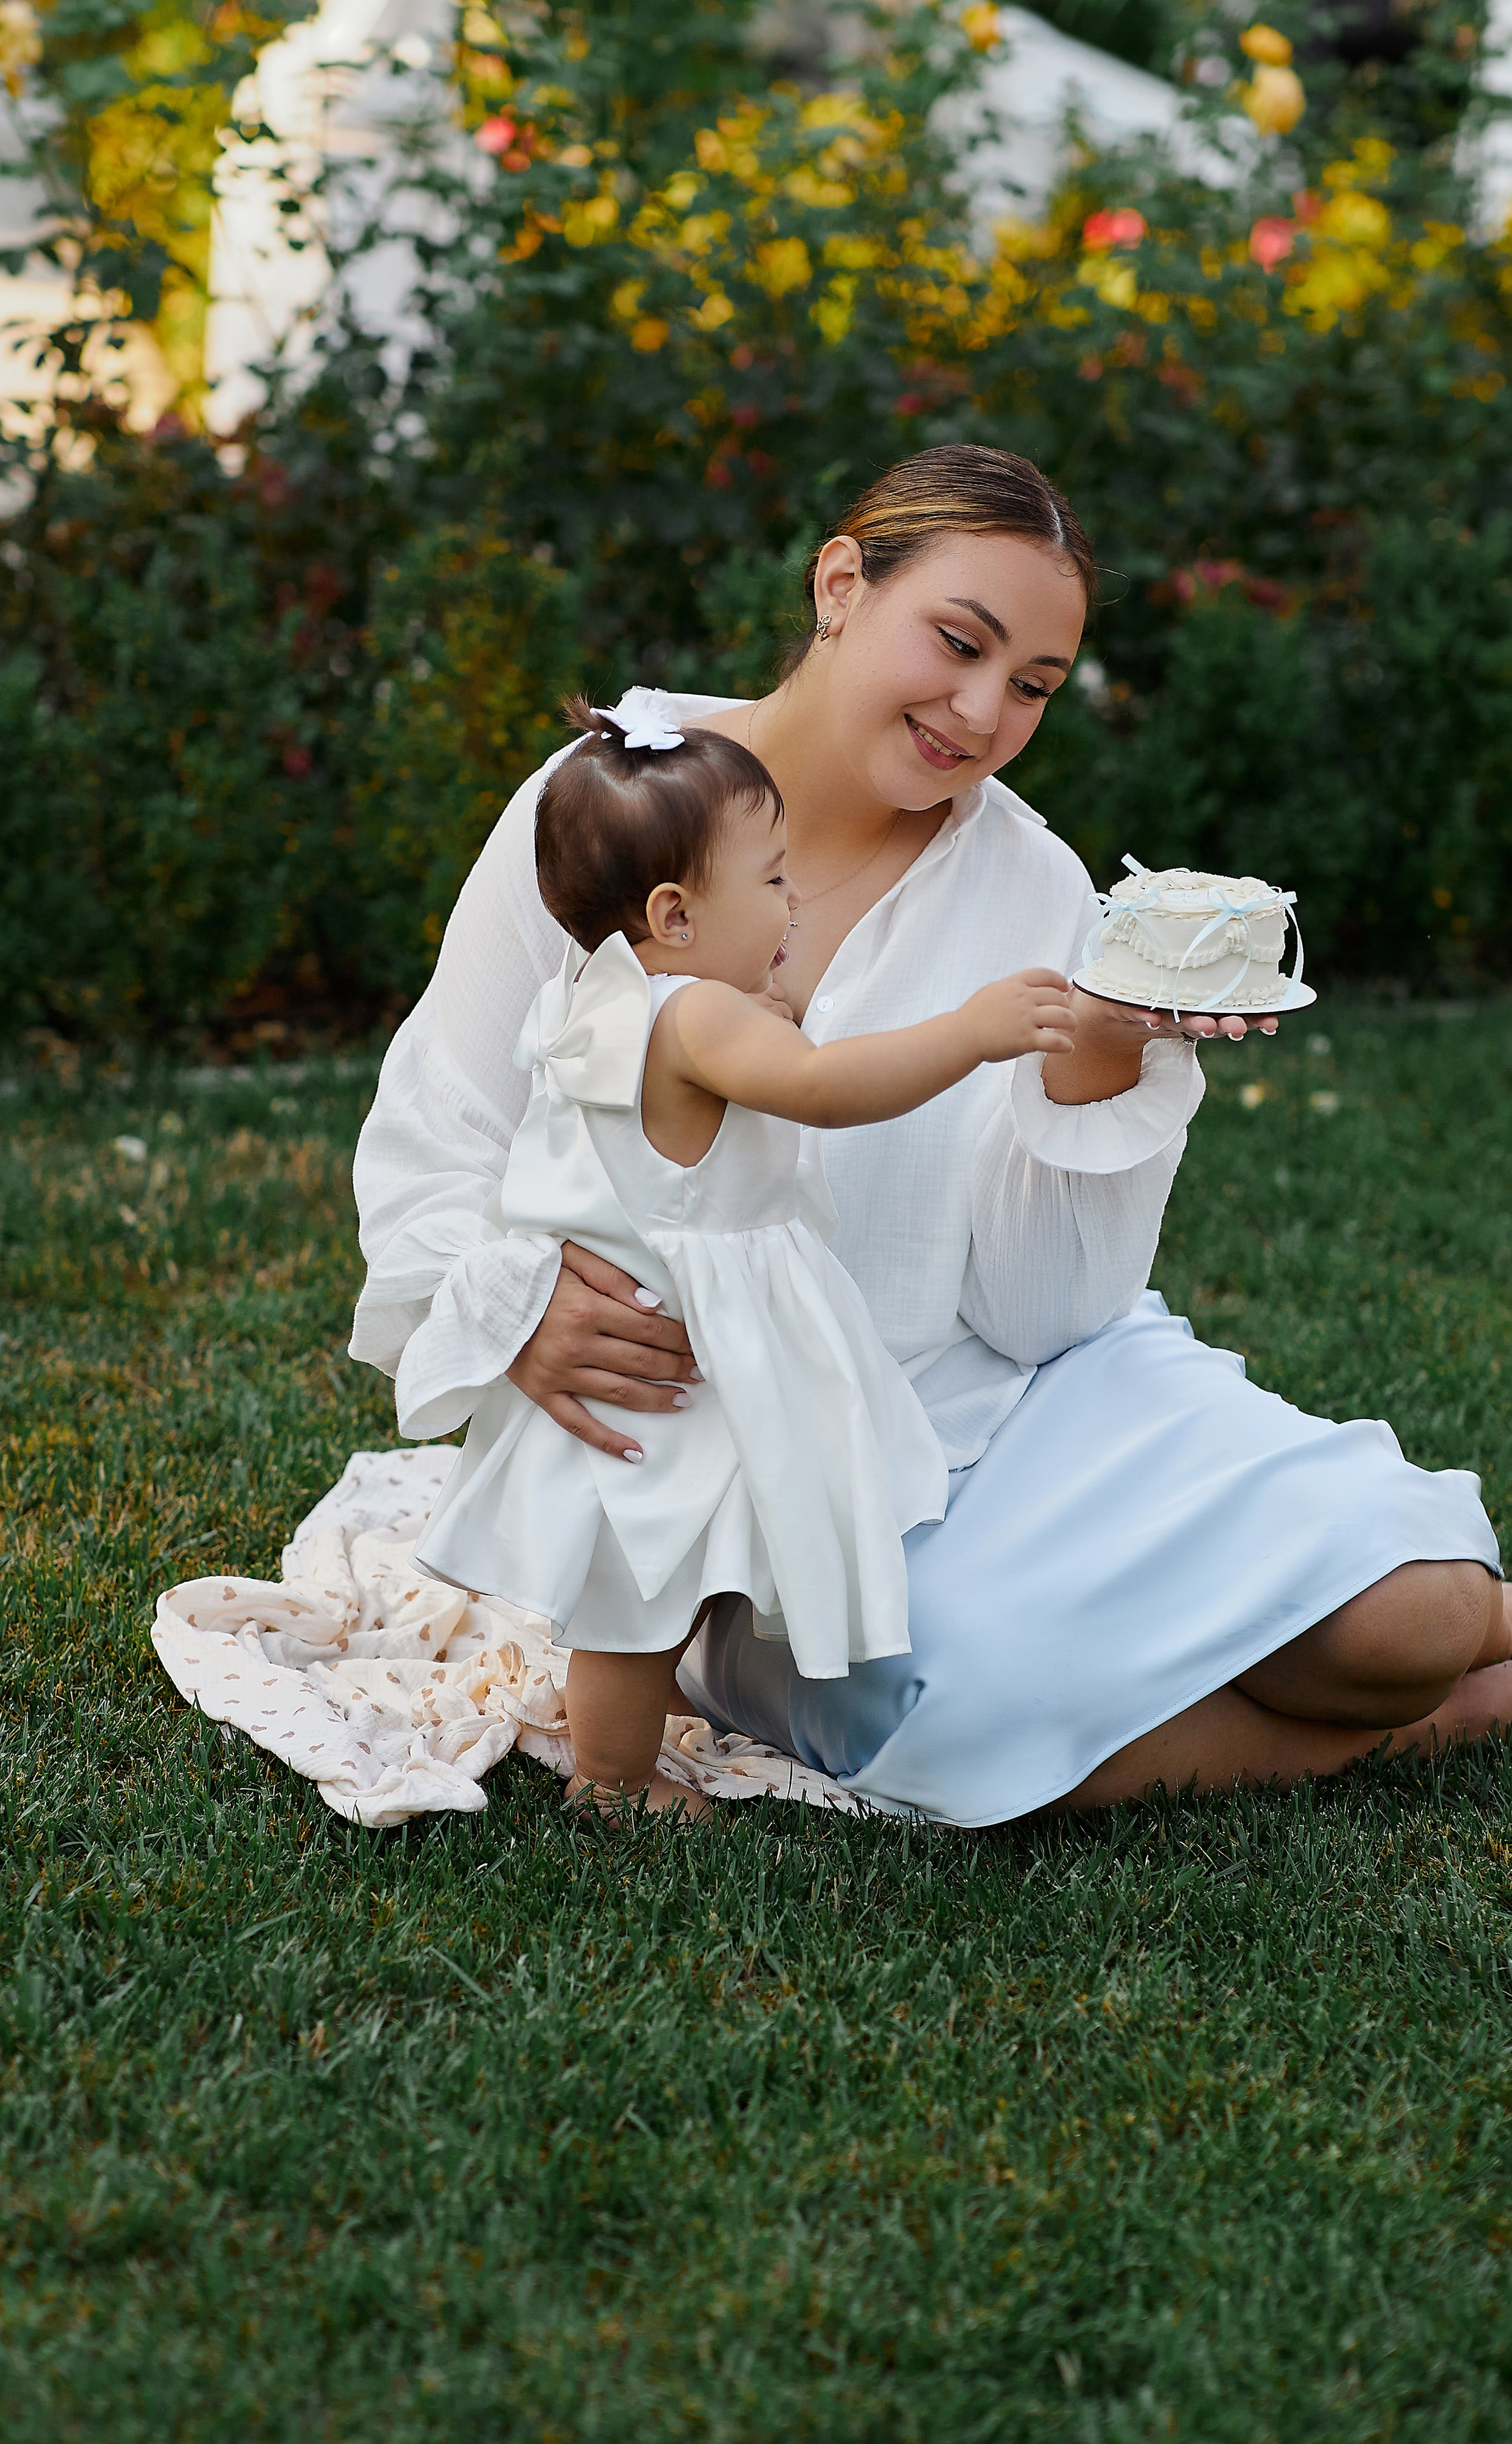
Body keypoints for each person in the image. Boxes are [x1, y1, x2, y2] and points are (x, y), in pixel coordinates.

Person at [351, 445, 1512, 1825]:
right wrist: (515, 1308)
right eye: (957, 642)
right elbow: (439, 1134)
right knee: (976, 1730)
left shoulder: (1030, 883)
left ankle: (1463, 1628)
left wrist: (1103, 1058)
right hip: (753, 1475)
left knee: (1407, 1620)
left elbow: (1041, 1312)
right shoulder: (603, 808)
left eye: (1033, 687)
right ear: (838, 586)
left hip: (1016, 1399)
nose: (980, 712)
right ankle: (1457, 1720)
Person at [412, 686, 1075, 1813]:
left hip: (680, 1342)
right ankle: (615, 1788)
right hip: (684, 1362)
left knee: (654, 1586)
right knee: (637, 1602)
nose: (792, 900)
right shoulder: (696, 1019)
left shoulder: (607, 995)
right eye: (771, 881)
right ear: (674, 914)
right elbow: (819, 1091)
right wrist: (971, 1031)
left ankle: (639, 1725)